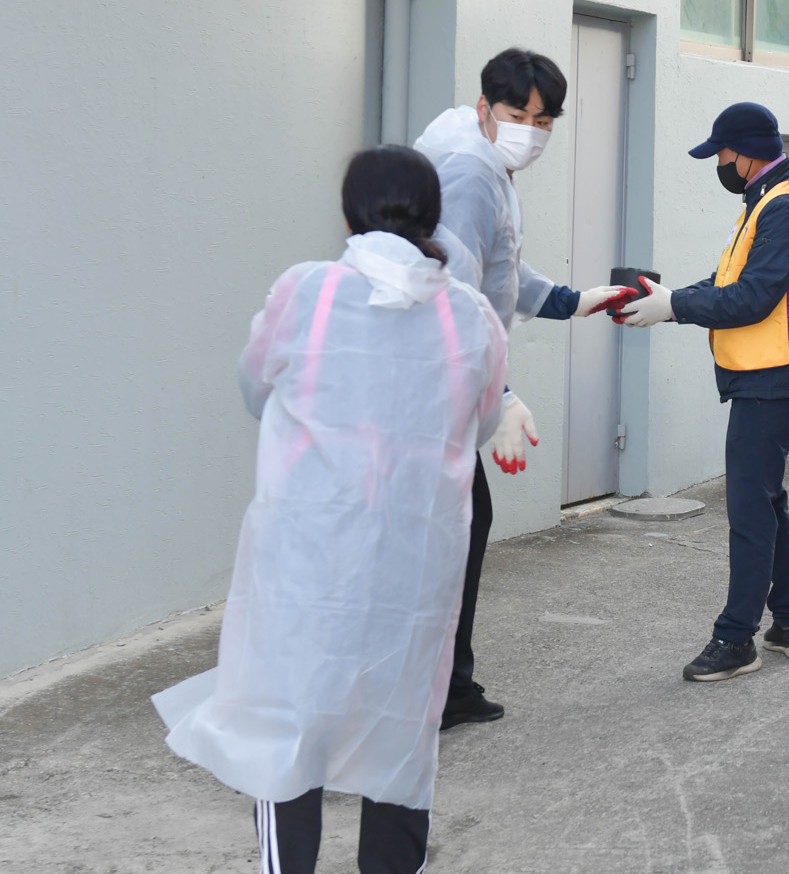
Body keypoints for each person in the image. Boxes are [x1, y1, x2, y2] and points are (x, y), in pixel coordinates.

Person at [153, 145, 509, 874]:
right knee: (401, 731)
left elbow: (256, 387)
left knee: (286, 726)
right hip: (415, 564)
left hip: (307, 556)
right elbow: (478, 424)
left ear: (349, 214)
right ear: (432, 216)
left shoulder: (306, 292)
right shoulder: (470, 316)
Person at [413, 49, 625, 729]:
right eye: (517, 114)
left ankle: (444, 686)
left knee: (457, 530)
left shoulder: (486, 165)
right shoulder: (470, 173)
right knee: (449, 535)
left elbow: (502, 267)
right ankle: (435, 691)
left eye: (544, 120)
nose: (530, 131)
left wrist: (573, 300)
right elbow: (456, 294)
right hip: (435, 389)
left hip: (445, 384)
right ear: (485, 108)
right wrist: (500, 397)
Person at [606, 102, 789, 682]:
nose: (719, 164)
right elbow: (729, 282)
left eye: (722, 154)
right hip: (768, 373)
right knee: (765, 498)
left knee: (749, 508)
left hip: (774, 376)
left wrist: (675, 308)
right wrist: (667, 299)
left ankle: (736, 640)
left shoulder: (783, 207)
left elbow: (752, 299)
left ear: (745, 153)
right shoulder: (768, 199)